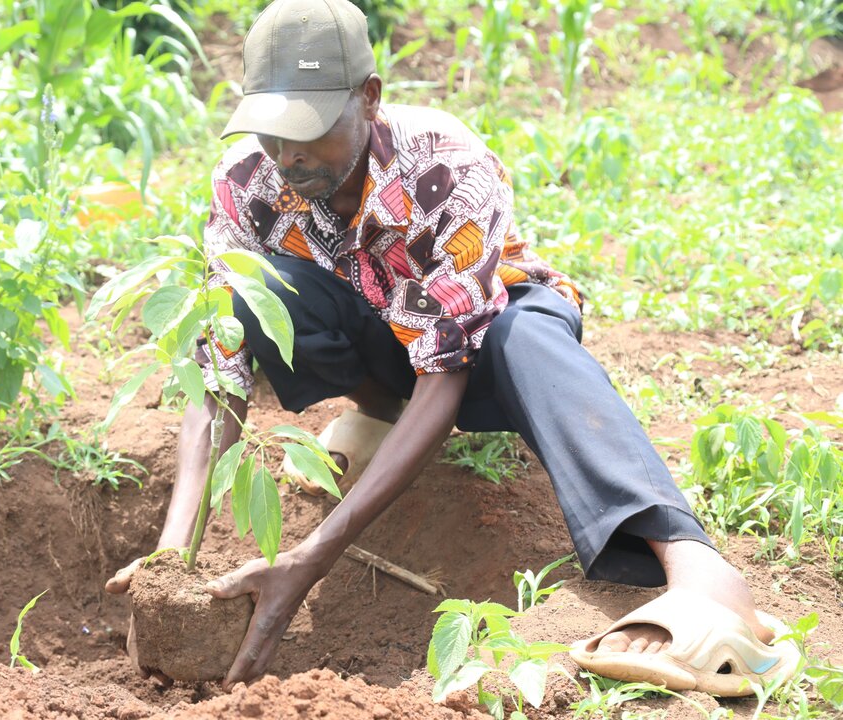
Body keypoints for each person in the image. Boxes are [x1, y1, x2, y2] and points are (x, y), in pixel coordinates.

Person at [106, 0, 798, 696]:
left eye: (310, 132)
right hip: (386, 357)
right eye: (272, 130)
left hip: (482, 358)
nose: (289, 156)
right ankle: (380, 422)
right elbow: (220, 361)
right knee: (251, 290)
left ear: (369, 98)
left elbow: (444, 372)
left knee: (528, 330)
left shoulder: (445, 165)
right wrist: (172, 552)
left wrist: (312, 556)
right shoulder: (246, 180)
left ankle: (698, 568)